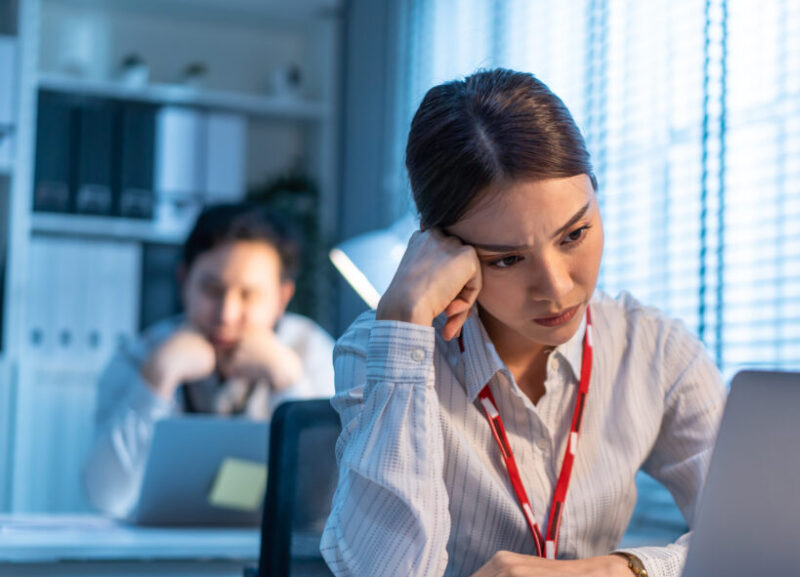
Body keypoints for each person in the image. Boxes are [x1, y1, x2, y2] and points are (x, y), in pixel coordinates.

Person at [320, 69, 726, 577]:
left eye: (575, 233)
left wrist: (618, 571)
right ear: (444, 250)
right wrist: (404, 321)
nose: (556, 287)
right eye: (507, 259)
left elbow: (762, 540)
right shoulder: (379, 351)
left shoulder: (656, 350)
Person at [83, 202, 335, 518]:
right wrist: (155, 379)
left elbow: (325, 506)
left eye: (249, 295)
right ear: (184, 280)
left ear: (282, 297)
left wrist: (288, 381)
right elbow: (106, 496)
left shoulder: (313, 352)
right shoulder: (139, 357)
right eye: (211, 289)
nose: (226, 315)